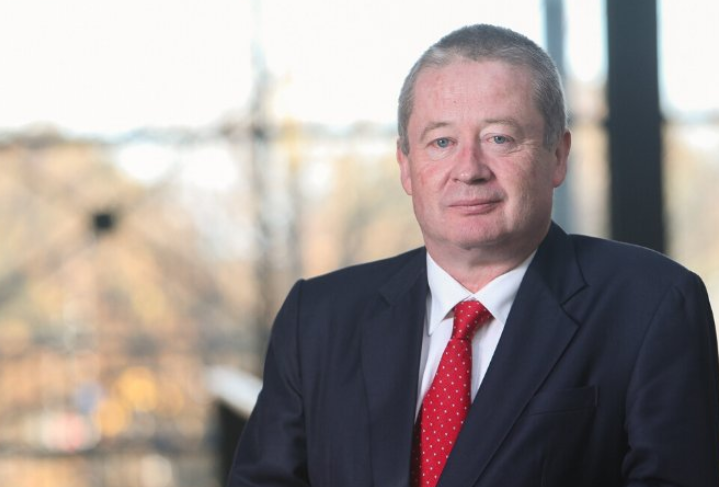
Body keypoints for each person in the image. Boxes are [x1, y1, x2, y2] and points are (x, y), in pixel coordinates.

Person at [227, 24, 719, 486]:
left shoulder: (652, 306)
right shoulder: (317, 318)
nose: (469, 169)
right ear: (406, 165)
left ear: (557, 155)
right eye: (441, 141)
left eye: (499, 138)